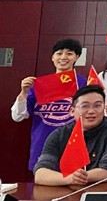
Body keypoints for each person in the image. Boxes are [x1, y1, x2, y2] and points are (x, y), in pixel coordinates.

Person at [11, 38, 87, 172]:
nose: (63, 57)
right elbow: (18, 116)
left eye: (69, 53)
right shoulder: (39, 85)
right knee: (42, 183)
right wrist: (24, 92)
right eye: (59, 53)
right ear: (52, 57)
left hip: (74, 145)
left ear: (77, 57)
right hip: (42, 145)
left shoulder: (85, 84)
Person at [33, 85, 107, 186]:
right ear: (72, 111)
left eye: (97, 106)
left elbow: (106, 171)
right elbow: (40, 174)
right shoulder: (59, 135)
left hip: (101, 190)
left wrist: (77, 178)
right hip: (64, 190)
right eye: (85, 106)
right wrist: (69, 179)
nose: (91, 111)